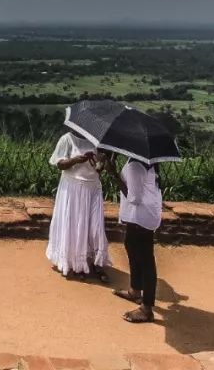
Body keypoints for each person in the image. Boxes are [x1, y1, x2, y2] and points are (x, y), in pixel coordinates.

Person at [104, 155, 163, 323]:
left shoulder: (136, 165)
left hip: (141, 215)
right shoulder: (143, 161)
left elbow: (134, 198)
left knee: (145, 259)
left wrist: (114, 174)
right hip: (142, 214)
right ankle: (135, 290)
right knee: (131, 245)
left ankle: (146, 308)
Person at [46, 129, 111, 281]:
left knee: (96, 228)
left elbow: (100, 169)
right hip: (73, 188)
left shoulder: (97, 141)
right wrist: (76, 160)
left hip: (93, 188)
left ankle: (97, 262)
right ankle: (77, 264)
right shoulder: (67, 139)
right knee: (76, 227)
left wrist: (100, 163)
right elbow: (60, 164)